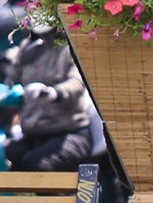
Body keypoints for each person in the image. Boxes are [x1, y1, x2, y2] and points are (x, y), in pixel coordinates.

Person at [9, 27, 96, 172]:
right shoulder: (28, 48)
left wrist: (54, 93)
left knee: (38, 166)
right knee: (4, 160)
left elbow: (77, 82)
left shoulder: (71, 48)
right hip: (32, 133)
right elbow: (12, 79)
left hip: (69, 133)